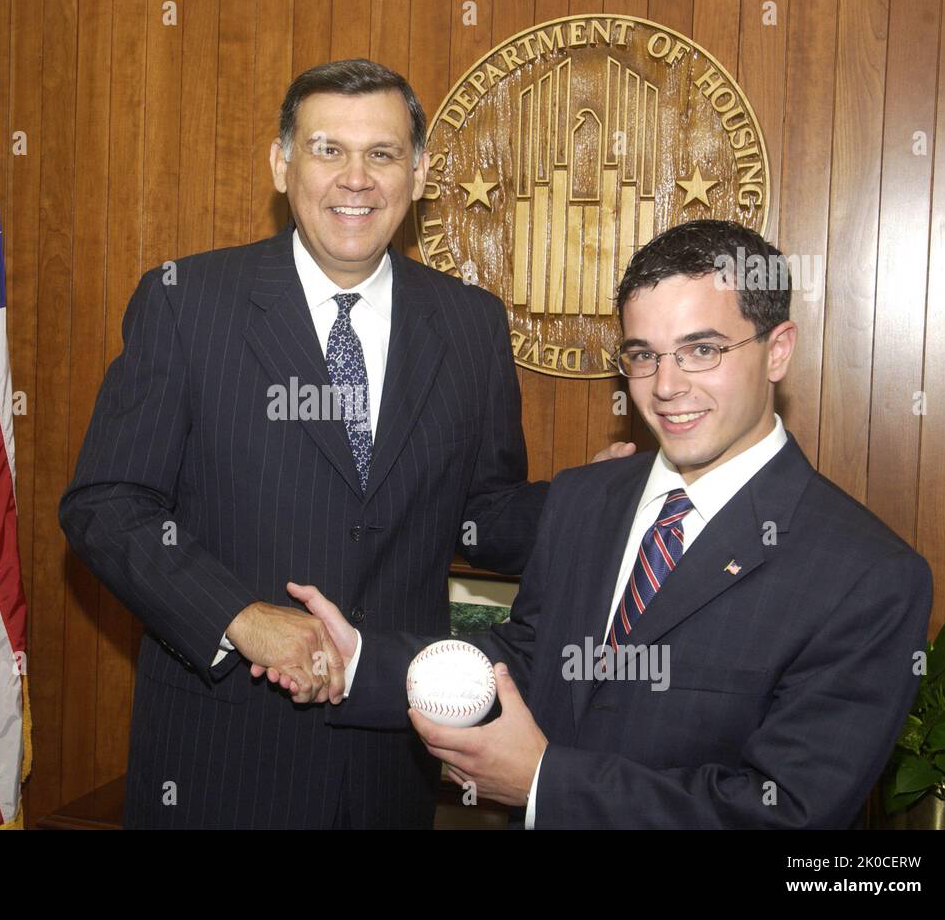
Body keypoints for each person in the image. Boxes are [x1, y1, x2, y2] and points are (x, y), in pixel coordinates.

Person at [59, 58, 632, 828]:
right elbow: (106, 504)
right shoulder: (186, 303)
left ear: (420, 171)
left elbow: (483, 515)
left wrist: (587, 504)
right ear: (282, 163)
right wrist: (240, 615)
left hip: (387, 761)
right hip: (219, 754)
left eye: (383, 154)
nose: (354, 179)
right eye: (328, 149)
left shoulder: (469, 324)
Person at [285, 219, 933, 828]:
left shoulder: (868, 576)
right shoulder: (582, 498)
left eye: (700, 349)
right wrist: (363, 662)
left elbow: (786, 813)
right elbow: (528, 659)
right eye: (643, 355)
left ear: (777, 351)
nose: (666, 385)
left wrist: (543, 781)